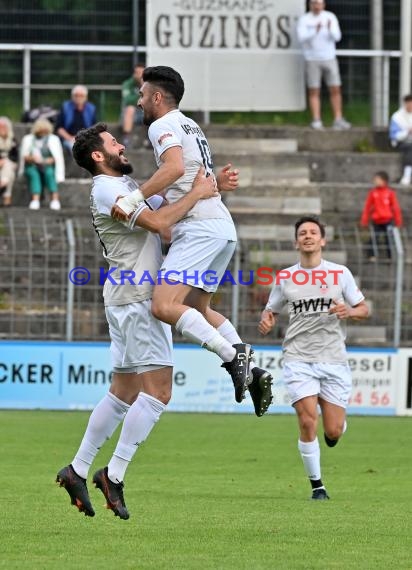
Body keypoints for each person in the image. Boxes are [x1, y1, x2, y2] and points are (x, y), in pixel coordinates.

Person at [56, 122, 218, 520]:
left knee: (123, 391)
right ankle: (114, 474)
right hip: (138, 296)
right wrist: (197, 192)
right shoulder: (109, 190)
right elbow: (160, 225)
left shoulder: (123, 188)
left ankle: (77, 469)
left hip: (125, 294)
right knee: (159, 392)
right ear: (99, 156)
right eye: (114, 143)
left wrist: (204, 190)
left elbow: (161, 203)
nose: (122, 145)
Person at [111, 65, 273, 418]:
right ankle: (252, 369)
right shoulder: (190, 124)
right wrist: (215, 181)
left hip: (199, 229)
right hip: (220, 227)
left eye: (141, 95)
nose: (138, 102)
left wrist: (133, 199)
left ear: (156, 97)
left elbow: (172, 169)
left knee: (163, 306)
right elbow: (192, 177)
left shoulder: (161, 125)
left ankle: (235, 359)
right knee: (198, 309)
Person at [258, 216, 369, 500]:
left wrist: (349, 312)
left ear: (322, 240)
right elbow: (271, 309)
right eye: (302, 233)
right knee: (308, 421)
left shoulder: (339, 273)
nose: (308, 236)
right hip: (298, 357)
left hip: (333, 359)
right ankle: (317, 486)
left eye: (313, 232)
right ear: (296, 242)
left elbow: (363, 309)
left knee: (332, 430)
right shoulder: (285, 277)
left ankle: (337, 429)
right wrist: (267, 320)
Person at [297, 0, 351, 131]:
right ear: (310, 5)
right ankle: (316, 120)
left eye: (319, 3)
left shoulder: (330, 17)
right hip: (312, 59)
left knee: (335, 88)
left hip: (329, 58)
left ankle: (338, 119)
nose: (317, 6)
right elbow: (301, 38)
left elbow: (337, 37)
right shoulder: (304, 19)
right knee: (314, 90)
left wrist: (329, 28)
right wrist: (315, 31)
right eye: (314, 3)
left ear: (323, 5)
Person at [19, 118, 65, 210]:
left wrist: (48, 160)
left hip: (47, 166)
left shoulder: (53, 139)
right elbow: (24, 156)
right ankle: (35, 199)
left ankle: (55, 199)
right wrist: (32, 158)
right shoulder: (28, 139)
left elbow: (57, 157)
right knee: (34, 174)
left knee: (49, 173)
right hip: (32, 165)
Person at [360, 171, 403, 260]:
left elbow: (395, 208)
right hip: (377, 220)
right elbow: (367, 207)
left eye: (377, 180)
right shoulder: (373, 193)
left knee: (389, 239)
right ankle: (371, 255)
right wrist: (364, 220)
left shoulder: (390, 193)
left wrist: (398, 221)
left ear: (384, 181)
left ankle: (389, 257)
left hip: (387, 220)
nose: (375, 182)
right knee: (374, 238)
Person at [56, 85, 97, 152]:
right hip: (69, 139)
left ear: (86, 97)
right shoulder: (65, 107)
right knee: (75, 148)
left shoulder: (91, 109)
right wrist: (70, 138)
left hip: (86, 139)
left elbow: (94, 128)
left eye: (81, 95)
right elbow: (59, 128)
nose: (78, 98)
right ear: (72, 96)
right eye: (76, 95)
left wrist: (86, 139)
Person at [121, 62, 146, 148]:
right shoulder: (127, 84)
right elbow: (128, 100)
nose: (139, 75)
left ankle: (151, 140)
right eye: (137, 73)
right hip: (131, 114)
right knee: (130, 109)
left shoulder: (148, 84)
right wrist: (141, 93)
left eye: (141, 73)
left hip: (144, 112)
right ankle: (126, 138)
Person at [389, 94, 412, 186]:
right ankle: (407, 175)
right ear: (405, 103)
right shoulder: (397, 117)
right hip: (401, 142)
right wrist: (407, 132)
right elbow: (393, 136)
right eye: (409, 103)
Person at [0, 116, 18, 207]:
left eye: (4, 127)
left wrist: (6, 161)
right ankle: (7, 197)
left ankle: (3, 183)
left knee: (8, 168)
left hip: (9, 164)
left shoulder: (12, 140)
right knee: (10, 174)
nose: (2, 129)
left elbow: (15, 156)